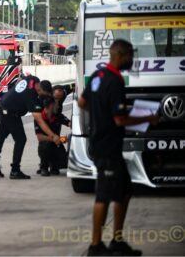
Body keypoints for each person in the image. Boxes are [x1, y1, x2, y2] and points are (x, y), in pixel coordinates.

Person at [78, 39, 159, 256]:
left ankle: (117, 241)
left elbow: (82, 102)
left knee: (124, 191)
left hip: (102, 143)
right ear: (121, 55)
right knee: (103, 195)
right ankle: (95, 246)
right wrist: (148, 118)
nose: (132, 60)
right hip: (107, 146)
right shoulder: (114, 80)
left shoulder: (98, 75)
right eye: (130, 55)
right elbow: (119, 120)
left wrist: (98, 116)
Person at [0, 77, 60, 179]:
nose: (41, 97)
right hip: (10, 112)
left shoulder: (33, 79)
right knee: (21, 139)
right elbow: (40, 121)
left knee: (1, 135)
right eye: (42, 95)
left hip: (4, 104)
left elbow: (19, 80)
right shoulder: (31, 97)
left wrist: (16, 96)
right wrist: (53, 136)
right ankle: (15, 170)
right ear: (40, 90)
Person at [34, 96, 69, 176]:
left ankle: (54, 165)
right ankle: (44, 167)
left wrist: (65, 139)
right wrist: (54, 138)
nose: (58, 106)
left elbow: (69, 123)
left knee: (64, 163)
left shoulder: (58, 116)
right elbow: (40, 137)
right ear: (51, 105)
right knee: (45, 144)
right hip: (45, 146)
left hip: (57, 144)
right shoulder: (39, 117)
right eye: (56, 104)